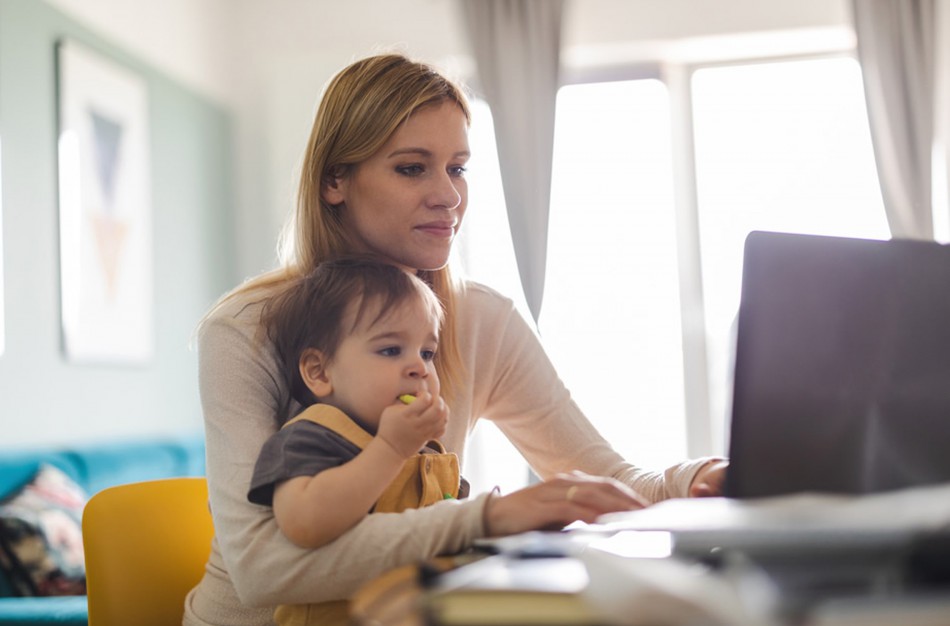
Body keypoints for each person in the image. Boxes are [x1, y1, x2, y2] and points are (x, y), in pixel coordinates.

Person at [184, 53, 728, 626]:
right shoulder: (247, 330)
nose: (449, 196)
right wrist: (485, 518)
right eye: (413, 168)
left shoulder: (480, 319)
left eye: (458, 168)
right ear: (334, 181)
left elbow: (606, 481)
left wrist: (693, 481)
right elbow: (262, 570)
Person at [248, 257, 471, 624]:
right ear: (319, 372)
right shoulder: (312, 434)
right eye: (390, 350)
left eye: (427, 352)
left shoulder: (427, 452)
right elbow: (305, 522)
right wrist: (391, 449)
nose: (419, 367)